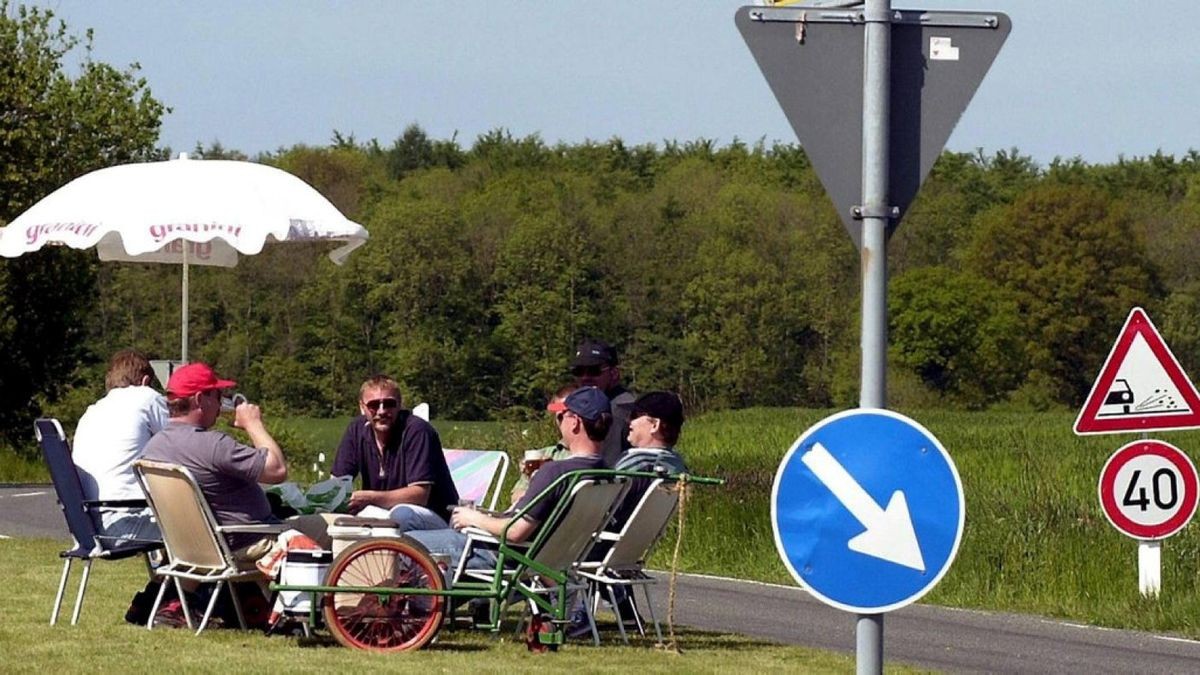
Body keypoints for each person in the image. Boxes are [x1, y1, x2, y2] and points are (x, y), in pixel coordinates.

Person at [406, 386, 611, 570]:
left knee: (400, 541)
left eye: (561, 416)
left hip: (503, 554)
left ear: (574, 422)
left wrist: (472, 518)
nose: (558, 422)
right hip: (554, 557)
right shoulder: (607, 474)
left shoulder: (555, 472)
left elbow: (515, 532)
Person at [141, 362, 331, 552]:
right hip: (251, 540)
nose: (220, 403)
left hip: (196, 549)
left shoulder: (153, 449)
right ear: (200, 399)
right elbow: (277, 470)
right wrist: (253, 423)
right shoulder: (214, 445)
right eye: (217, 396)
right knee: (343, 530)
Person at [330, 375, 459, 530]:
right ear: (362, 407)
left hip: (433, 517)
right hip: (381, 512)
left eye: (389, 404)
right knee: (333, 519)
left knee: (402, 515)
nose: (382, 411)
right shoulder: (357, 430)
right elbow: (336, 482)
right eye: (374, 405)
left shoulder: (417, 431)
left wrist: (368, 498)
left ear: (399, 405)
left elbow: (420, 495)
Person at [73, 349, 169, 545]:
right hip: (125, 522)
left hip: (88, 527)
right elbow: (179, 445)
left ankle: (164, 576)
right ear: (144, 381)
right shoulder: (147, 397)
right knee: (207, 526)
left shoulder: (92, 411)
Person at [569, 339, 636, 468]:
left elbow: (607, 468)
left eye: (594, 371)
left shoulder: (617, 411)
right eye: (578, 371)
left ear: (614, 373)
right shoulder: (593, 407)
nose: (585, 377)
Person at [508, 383, 576, 505]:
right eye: (558, 416)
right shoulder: (543, 454)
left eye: (565, 414)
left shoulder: (584, 457)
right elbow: (515, 497)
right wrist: (533, 478)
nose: (561, 421)